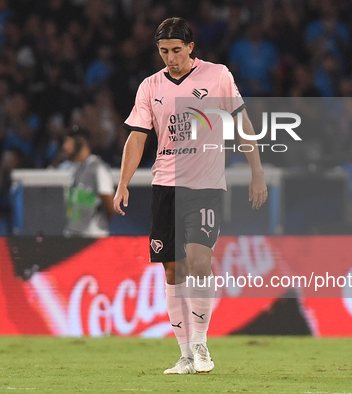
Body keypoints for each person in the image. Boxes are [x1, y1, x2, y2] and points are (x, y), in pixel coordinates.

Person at [113, 17, 267, 375]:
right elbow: (137, 137)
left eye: (177, 50)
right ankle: (184, 354)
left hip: (205, 187)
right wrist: (123, 183)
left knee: (199, 261)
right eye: (164, 51)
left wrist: (256, 171)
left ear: (191, 48)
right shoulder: (150, 87)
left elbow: (241, 122)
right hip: (166, 185)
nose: (170, 58)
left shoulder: (217, 76)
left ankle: (201, 344)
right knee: (172, 269)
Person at [62, 127, 115, 238]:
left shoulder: (98, 169)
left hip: (92, 236)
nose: (64, 147)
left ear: (80, 143)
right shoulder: (75, 169)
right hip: (74, 235)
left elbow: (110, 206)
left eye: (68, 142)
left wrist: (98, 226)